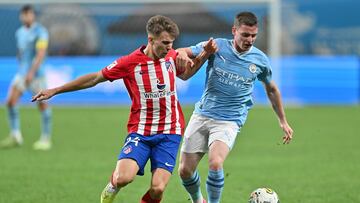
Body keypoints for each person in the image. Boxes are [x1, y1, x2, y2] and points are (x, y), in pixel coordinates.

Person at [32, 15, 217, 203]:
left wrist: (204, 55)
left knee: (158, 189)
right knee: (124, 178)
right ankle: (112, 186)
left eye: (172, 43)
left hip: (170, 132)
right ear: (151, 40)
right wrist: (56, 90)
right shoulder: (129, 63)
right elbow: (95, 78)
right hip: (141, 131)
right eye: (165, 43)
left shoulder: (170, 56)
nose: (170, 47)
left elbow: (185, 75)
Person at [176, 11, 294, 203]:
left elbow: (271, 89)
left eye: (253, 35)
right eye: (245, 35)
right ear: (234, 31)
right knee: (184, 171)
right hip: (202, 114)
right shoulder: (217, 46)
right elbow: (184, 51)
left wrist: (283, 121)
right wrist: (181, 53)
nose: (250, 40)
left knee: (215, 163)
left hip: (229, 120)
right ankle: (198, 200)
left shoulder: (260, 60)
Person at [0, 4, 52, 150]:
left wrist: (31, 72)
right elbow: (21, 51)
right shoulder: (19, 32)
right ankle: (16, 135)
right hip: (22, 73)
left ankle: (46, 138)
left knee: (42, 104)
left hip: (36, 75)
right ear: (21, 16)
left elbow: (41, 53)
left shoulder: (40, 32)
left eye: (29, 14)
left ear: (33, 15)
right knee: (10, 101)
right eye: (24, 14)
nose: (26, 17)